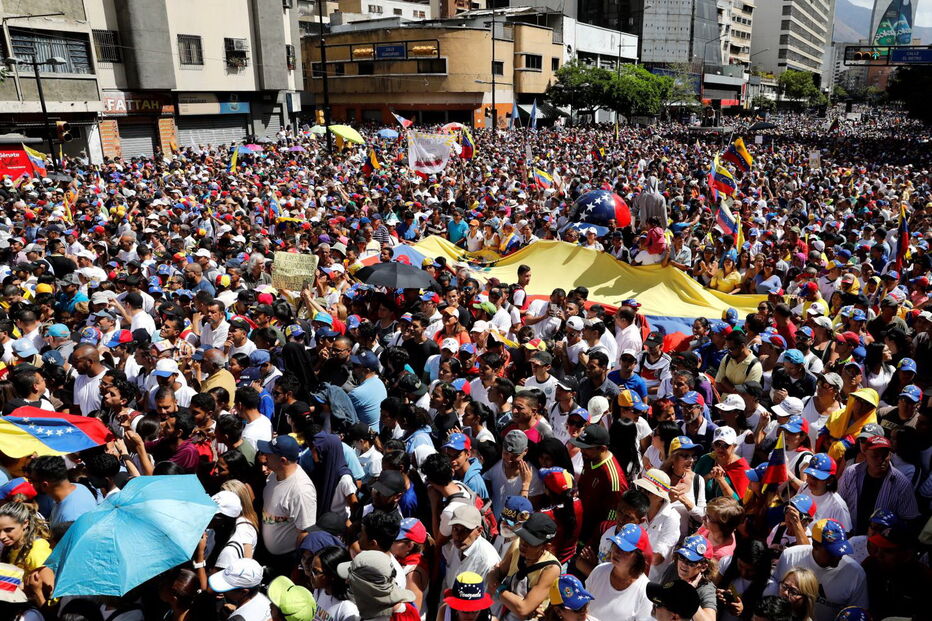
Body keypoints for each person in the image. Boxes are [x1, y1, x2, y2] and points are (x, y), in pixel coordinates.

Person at [765, 519, 868, 621]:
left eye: (842, 550)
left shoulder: (856, 574)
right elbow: (774, 593)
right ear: (815, 545)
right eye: (832, 552)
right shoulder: (790, 557)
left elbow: (858, 614)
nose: (838, 556)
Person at [258, 436, 318, 574]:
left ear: (282, 460)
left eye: (269, 454)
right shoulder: (274, 475)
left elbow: (305, 532)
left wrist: (296, 565)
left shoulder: (301, 491)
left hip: (286, 561)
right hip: (269, 554)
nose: (264, 456)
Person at [486, 513, 561, 621]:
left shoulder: (551, 569)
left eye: (530, 542)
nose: (523, 544)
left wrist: (497, 588)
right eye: (522, 537)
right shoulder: (516, 546)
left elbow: (523, 609)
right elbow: (492, 576)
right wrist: (500, 588)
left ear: (545, 546)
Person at [583, 523, 653, 621]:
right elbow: (582, 607)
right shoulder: (599, 571)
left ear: (638, 557)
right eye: (616, 544)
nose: (616, 552)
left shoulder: (645, 591)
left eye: (624, 548)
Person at [338, 550, 419, 621]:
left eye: (350, 577)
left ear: (367, 587)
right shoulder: (405, 610)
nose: (347, 581)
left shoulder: (400, 616)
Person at [0, 502, 54, 607]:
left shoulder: (37, 551)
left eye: (8, 530)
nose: (2, 536)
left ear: (25, 523)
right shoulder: (11, 547)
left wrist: (26, 589)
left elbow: (50, 595)